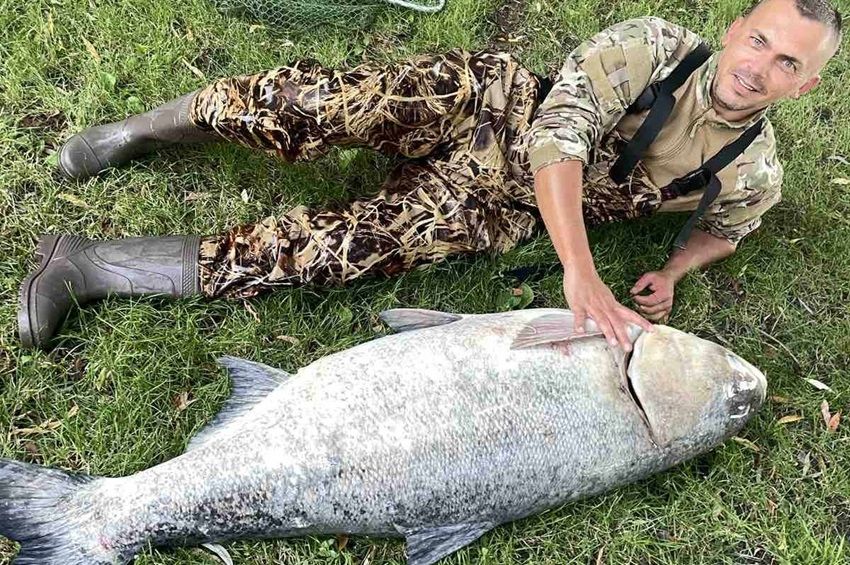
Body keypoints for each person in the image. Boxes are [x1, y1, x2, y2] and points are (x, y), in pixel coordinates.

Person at [18, 0, 842, 351]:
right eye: (759, 43)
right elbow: (561, 135)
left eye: (787, 65)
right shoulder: (657, 45)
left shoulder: (754, 171)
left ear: (806, 86)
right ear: (736, 31)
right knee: (315, 102)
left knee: (323, 253)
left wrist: (670, 268)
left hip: (490, 206)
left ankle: (87, 264)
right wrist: (581, 273)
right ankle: (137, 130)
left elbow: (725, 232)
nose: (760, 68)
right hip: (483, 106)